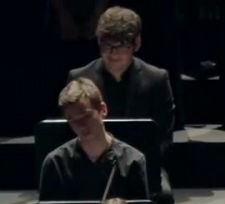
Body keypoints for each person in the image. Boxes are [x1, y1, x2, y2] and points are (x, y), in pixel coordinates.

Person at [66, 7, 175, 187]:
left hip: (140, 167)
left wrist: (133, 164)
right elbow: (69, 132)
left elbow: (163, 137)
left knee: (163, 196)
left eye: (121, 45)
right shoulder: (79, 78)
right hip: (91, 167)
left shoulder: (156, 79)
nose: (113, 53)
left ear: (137, 43)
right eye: (107, 45)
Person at [38, 78, 150, 201]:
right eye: (72, 120)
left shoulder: (132, 161)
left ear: (103, 110)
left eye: (86, 116)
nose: (81, 125)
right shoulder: (55, 163)